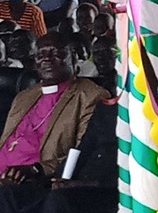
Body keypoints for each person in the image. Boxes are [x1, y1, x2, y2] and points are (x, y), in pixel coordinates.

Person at [0, 32, 108, 182]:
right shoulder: (25, 96)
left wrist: (36, 169)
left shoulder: (89, 96)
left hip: (29, 181)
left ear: (74, 57)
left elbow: (81, 154)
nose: (47, 59)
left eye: (56, 53)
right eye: (41, 54)